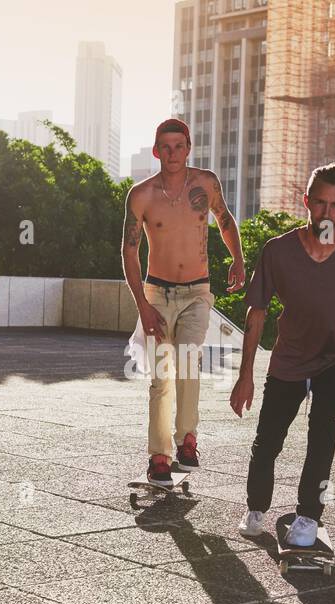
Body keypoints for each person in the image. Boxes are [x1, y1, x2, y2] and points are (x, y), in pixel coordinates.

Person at [229, 163, 335, 548]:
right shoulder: (278, 251)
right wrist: (245, 374)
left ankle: (307, 516)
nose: (326, 214)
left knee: (322, 437)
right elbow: (257, 313)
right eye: (319, 203)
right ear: (306, 202)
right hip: (289, 359)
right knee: (267, 440)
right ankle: (256, 507)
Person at [122, 118, 245, 486]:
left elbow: (225, 220)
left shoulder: (205, 184)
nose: (173, 153)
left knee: (189, 362)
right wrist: (143, 306)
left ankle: (187, 439)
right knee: (161, 379)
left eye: (180, 145)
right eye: (166, 146)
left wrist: (237, 258)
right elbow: (130, 252)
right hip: (157, 294)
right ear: (157, 150)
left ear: (188, 148)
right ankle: (160, 456)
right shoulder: (141, 195)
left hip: (196, 292)